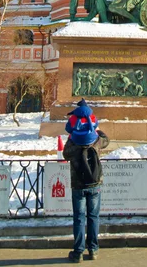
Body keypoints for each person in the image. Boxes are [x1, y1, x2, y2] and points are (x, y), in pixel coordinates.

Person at [63, 99, 109, 263]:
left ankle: (78, 252)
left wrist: (72, 136)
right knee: (93, 217)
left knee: (79, 218)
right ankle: (93, 249)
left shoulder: (73, 143)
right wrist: (97, 129)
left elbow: (66, 154)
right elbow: (106, 139)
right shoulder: (96, 141)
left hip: (78, 185)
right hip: (95, 184)